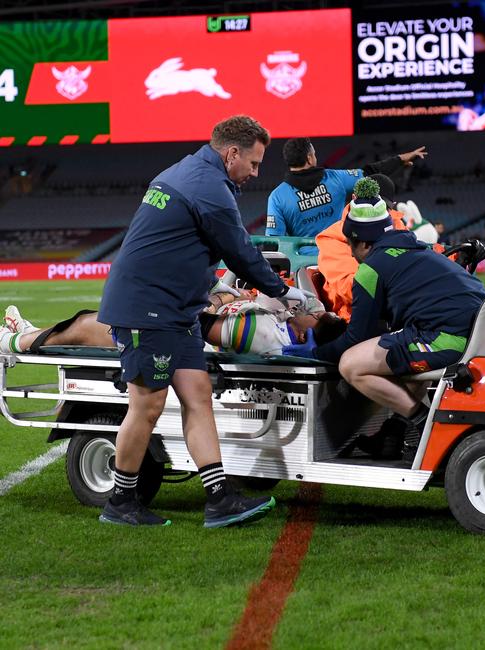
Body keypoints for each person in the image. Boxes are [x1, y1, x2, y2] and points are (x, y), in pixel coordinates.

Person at [94, 115, 308, 528]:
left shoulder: (187, 173)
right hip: (147, 308)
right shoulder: (209, 186)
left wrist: (216, 283)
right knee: (148, 404)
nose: (255, 172)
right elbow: (240, 250)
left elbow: (185, 244)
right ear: (231, 155)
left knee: (197, 394)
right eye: (254, 163)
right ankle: (120, 500)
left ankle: (219, 498)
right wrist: (284, 292)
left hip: (176, 309)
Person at [283, 177, 485, 460]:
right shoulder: (421, 252)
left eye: (350, 244)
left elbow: (357, 338)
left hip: (449, 341)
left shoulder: (372, 268)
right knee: (396, 356)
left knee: (351, 364)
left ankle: (425, 424)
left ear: (360, 242)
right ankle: (394, 432)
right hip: (478, 337)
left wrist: (314, 354)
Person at [1, 295, 345, 357]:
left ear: (308, 329)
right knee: (83, 324)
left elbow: (201, 323)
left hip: (163, 338)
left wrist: (217, 300)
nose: (306, 309)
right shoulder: (278, 328)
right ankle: (26, 333)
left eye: (313, 313)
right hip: (170, 334)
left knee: (80, 326)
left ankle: (13, 342)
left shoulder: (266, 332)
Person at [265, 137, 427, 252]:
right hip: (340, 257)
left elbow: (273, 242)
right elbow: (371, 172)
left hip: (304, 267)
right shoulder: (335, 179)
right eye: (313, 154)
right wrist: (400, 159)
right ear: (309, 158)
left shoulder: (277, 197)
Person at [315, 174, 409, 323]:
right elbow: (352, 291)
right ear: (354, 199)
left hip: (399, 310)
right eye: (367, 206)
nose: (373, 214)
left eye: (379, 208)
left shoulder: (396, 225)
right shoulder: (333, 238)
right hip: (357, 317)